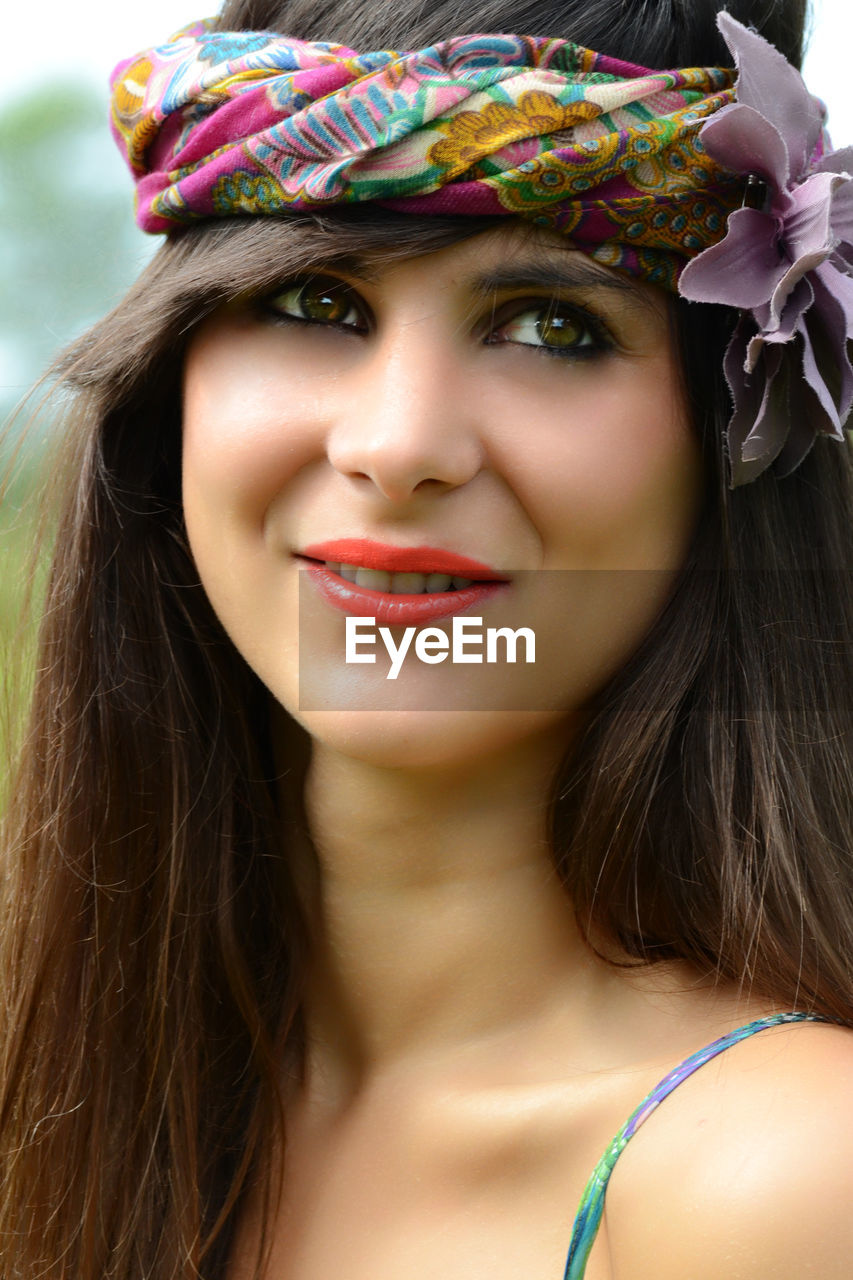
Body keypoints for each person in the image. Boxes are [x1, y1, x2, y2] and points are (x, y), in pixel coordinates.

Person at [2, 0, 853, 1277]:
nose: (398, 447)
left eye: (550, 324)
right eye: (312, 299)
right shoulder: (55, 1084)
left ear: (726, 442)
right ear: (169, 386)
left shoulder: (780, 1182)